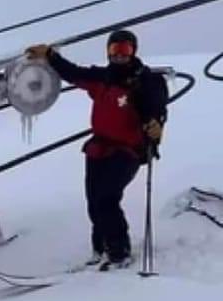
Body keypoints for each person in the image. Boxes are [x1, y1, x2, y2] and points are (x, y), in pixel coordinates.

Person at [25, 29, 168, 270]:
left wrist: (157, 123)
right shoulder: (102, 77)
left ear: (133, 52)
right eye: (115, 50)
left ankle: (119, 252)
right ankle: (100, 249)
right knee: (94, 201)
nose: (120, 56)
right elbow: (74, 73)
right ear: (108, 52)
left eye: (125, 50)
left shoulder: (145, 80)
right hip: (99, 149)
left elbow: (156, 105)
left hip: (128, 150)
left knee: (107, 198)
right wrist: (50, 55)